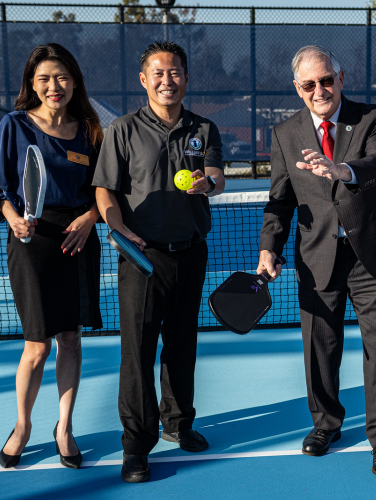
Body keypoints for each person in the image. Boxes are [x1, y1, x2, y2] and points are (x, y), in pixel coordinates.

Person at [257, 45, 376, 477]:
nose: (320, 89)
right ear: (298, 89)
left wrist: (343, 170)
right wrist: (270, 246)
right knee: (319, 348)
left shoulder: (371, 116)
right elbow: (279, 199)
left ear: (341, 78)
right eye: (310, 84)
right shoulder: (285, 133)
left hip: (371, 253)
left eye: (327, 80)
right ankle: (325, 425)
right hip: (316, 255)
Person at [93, 40, 225, 484]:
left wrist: (207, 183)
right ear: (143, 80)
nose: (167, 80)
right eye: (159, 73)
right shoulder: (123, 131)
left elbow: (218, 175)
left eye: (175, 73)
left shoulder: (203, 128)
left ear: (186, 78)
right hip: (142, 258)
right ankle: (136, 446)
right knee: (138, 354)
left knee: (182, 346)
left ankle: (178, 423)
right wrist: (117, 226)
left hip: (191, 253)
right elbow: (104, 190)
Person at [0, 43, 105, 470]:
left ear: (74, 82)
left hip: (78, 237)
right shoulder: (14, 125)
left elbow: (104, 189)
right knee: (37, 345)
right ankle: (22, 426)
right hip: (31, 238)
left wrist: (91, 218)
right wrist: (14, 218)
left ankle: (65, 427)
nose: (53, 86)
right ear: (32, 85)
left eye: (60, 78)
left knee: (70, 339)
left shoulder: (91, 130)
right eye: (43, 79)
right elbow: (1, 187)